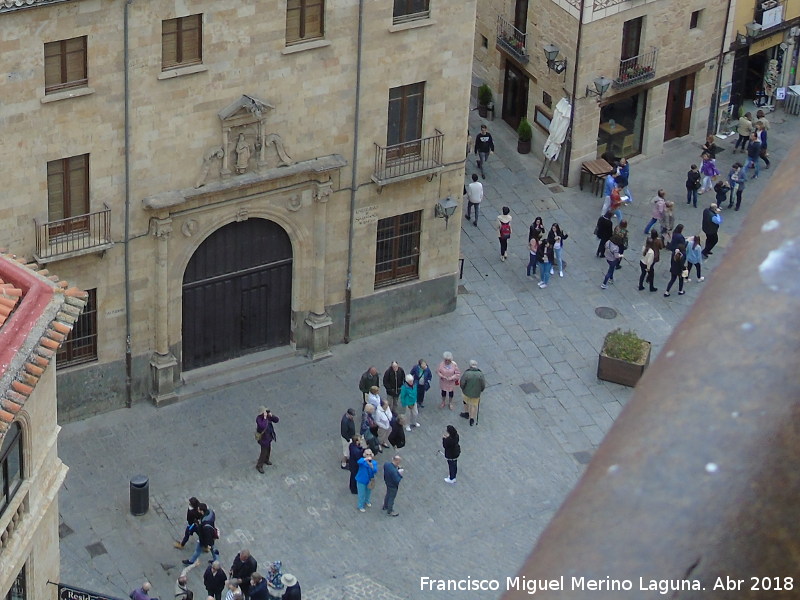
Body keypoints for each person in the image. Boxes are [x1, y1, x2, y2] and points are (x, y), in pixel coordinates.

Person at [459, 360, 486, 427]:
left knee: (465, 402)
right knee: (473, 405)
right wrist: (481, 390)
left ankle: (466, 413)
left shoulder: (467, 374)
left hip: (466, 392)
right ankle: (472, 419)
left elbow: (462, 383)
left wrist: (463, 388)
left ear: (470, 366)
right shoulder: (480, 374)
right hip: (476, 393)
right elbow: (483, 384)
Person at [255, 407, 279, 472]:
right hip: (263, 438)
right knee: (263, 452)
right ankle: (259, 465)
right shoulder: (259, 419)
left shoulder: (268, 416)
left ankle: (266, 459)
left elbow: (276, 420)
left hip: (269, 436)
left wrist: (272, 416)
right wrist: (265, 418)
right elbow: (262, 426)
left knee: (268, 449)